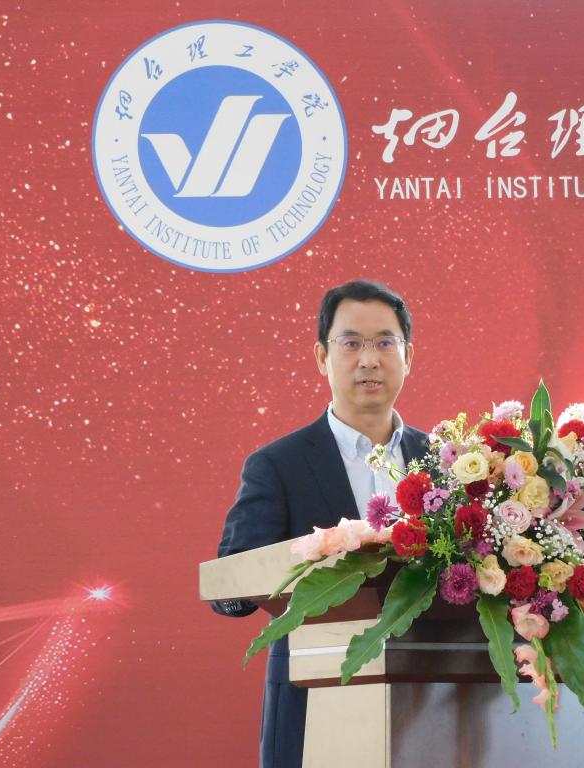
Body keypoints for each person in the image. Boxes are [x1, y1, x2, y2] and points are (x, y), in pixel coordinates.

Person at [213, 280, 427, 768]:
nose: (368, 360)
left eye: (384, 342)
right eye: (351, 343)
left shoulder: (447, 462)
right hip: (314, 703)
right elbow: (233, 579)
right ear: (321, 357)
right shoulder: (278, 465)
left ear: (408, 356)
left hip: (435, 704)